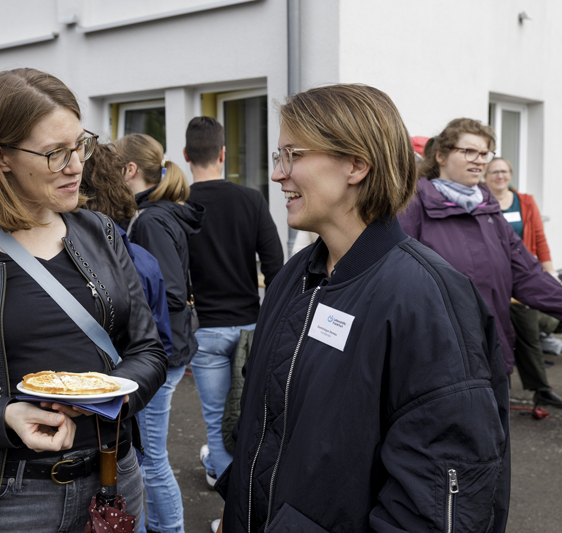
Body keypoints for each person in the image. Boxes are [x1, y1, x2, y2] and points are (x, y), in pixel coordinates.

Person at [216, 85, 510, 532]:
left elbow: (439, 499)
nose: (278, 174)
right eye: (279, 157)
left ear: (356, 164)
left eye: (292, 154)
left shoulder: (425, 297)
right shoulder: (295, 278)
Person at [0, 68, 168, 533]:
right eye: (55, 153)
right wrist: (5, 415)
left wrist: (106, 394)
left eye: (80, 145)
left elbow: (148, 350)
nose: (76, 164)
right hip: (10, 499)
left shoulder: (100, 233)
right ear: (1, 157)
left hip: (114, 477)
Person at [398, 119, 562, 406]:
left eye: (485, 153)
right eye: (469, 151)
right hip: (436, 359)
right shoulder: (413, 206)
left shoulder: (489, 210)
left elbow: (526, 275)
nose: (479, 161)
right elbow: (393, 280)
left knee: (495, 443)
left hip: (492, 352)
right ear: (441, 156)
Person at [80, 142, 182, 533]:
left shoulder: (119, 257)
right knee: (144, 465)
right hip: (136, 391)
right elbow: (162, 344)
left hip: (103, 403)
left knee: (142, 468)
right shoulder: (140, 256)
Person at [182, 117, 283, 498]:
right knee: (250, 421)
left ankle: (231, 514)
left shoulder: (179, 206)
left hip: (204, 329)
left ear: (187, 155)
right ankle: (240, 508)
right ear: (223, 153)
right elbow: (276, 268)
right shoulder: (251, 199)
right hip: (250, 329)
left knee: (217, 425)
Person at [115, 133, 204, 533]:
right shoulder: (159, 212)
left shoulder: (149, 219)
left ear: (129, 170)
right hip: (172, 348)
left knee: (152, 460)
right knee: (152, 457)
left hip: (163, 355)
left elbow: (166, 289)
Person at [483, 157, 562, 407]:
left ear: (511, 174)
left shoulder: (524, 201)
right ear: (485, 176)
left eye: (504, 171)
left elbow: (539, 238)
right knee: (495, 339)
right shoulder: (479, 203)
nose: (500, 176)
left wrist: (549, 275)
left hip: (522, 277)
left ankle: (541, 389)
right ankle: (494, 396)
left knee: (529, 334)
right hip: (492, 281)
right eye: (494, 172)